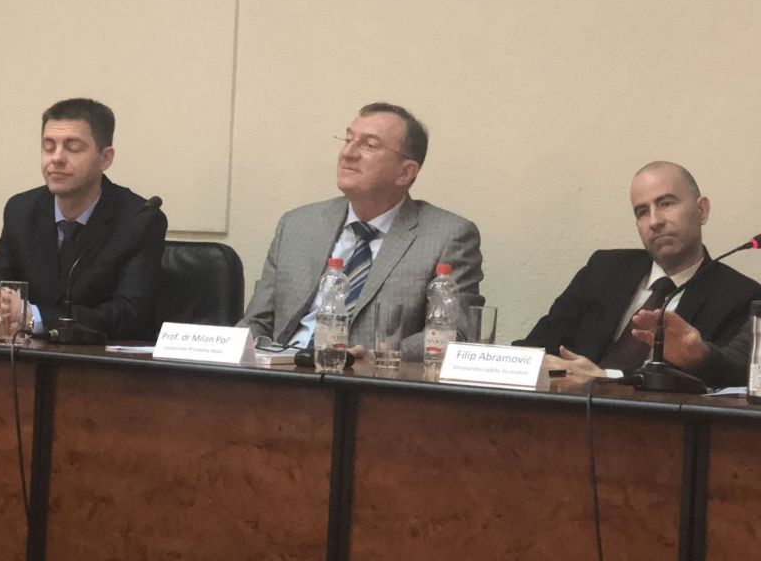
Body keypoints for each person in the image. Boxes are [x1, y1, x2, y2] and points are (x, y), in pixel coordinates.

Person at [238, 102, 484, 361]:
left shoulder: (447, 237)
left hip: (369, 379)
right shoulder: (297, 224)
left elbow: (456, 334)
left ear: (405, 172)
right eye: (347, 140)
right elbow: (256, 322)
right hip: (281, 371)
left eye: (370, 145)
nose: (347, 153)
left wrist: (378, 356)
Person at [515, 161, 761, 380]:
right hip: (566, 412)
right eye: (642, 212)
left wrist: (605, 379)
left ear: (701, 210)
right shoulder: (603, 270)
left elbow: (725, 381)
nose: (654, 221)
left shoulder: (740, 296)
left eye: (666, 203)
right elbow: (536, 347)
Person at [0, 98, 167, 340]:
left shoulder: (139, 219)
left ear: (105, 158)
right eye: (49, 147)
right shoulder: (22, 210)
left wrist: (33, 317)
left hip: (97, 358)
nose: (57, 158)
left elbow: (131, 314)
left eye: (73, 147)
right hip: (27, 355)